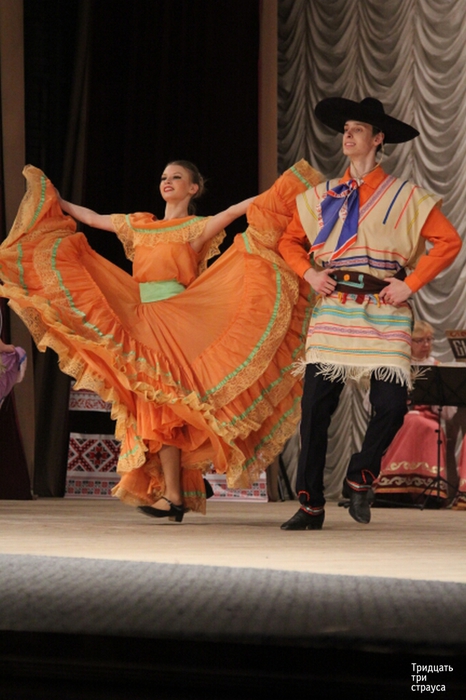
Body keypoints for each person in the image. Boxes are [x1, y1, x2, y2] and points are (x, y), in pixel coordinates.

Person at [0, 158, 323, 520]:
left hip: (180, 321)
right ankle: (179, 488)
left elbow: (235, 210)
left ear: (193, 189)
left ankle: (175, 493)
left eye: (177, 177)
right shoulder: (140, 225)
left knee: (168, 407)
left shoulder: (194, 229)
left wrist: (282, 192)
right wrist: (56, 199)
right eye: (164, 177)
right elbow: (92, 218)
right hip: (141, 318)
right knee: (156, 407)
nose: (167, 181)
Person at [277, 97, 462, 530]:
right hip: (334, 308)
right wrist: (309, 273)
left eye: (357, 129)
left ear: (378, 139)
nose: (347, 135)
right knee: (315, 409)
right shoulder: (321, 195)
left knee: (392, 405)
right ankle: (310, 505)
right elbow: (288, 242)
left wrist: (410, 284)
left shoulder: (407, 197)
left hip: (384, 308)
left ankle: (361, 475)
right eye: (345, 129)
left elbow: (449, 242)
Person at [373, 320, 456, 504]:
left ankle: (428, 492)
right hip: (399, 417)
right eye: (420, 340)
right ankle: (392, 490)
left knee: (423, 425)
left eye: (429, 339)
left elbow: (449, 413)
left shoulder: (437, 367)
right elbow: (372, 403)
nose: (425, 344)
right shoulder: (397, 365)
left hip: (430, 420)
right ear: (408, 342)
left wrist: (435, 398)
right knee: (408, 421)